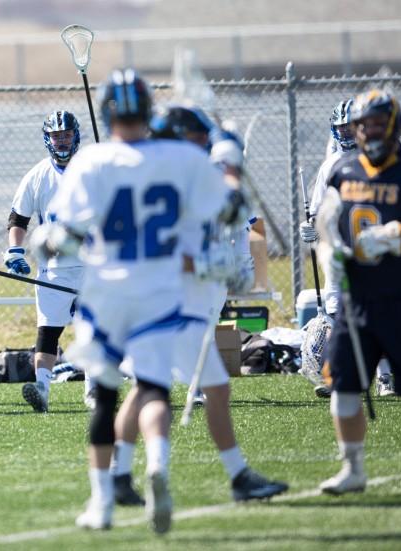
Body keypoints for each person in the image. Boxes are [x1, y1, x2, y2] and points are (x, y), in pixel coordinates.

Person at [33, 69, 233, 533]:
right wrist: (230, 151)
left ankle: (101, 500)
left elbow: (68, 232)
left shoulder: (93, 161)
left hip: (107, 291)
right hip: (160, 287)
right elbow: (227, 209)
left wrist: (46, 241)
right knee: (155, 387)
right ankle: (157, 462)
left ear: (107, 112)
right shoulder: (180, 157)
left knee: (105, 397)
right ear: (149, 110)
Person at [108, 104, 287, 508]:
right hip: (177, 300)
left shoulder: (149, 174)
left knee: (148, 388)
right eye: (195, 137)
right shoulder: (184, 178)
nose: (202, 142)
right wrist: (230, 161)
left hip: (148, 299)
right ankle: (235, 476)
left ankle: (122, 473)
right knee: (207, 389)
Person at [317, 89, 401, 495]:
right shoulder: (341, 169)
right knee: (342, 385)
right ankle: (353, 468)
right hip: (357, 301)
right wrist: (329, 255)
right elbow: (326, 225)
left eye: (377, 123)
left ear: (394, 125)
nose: (369, 131)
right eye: (362, 125)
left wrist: (398, 237)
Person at [301, 99, 395, 399]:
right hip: (340, 253)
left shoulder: (386, 164)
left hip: (377, 252)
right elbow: (318, 214)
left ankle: (385, 377)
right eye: (341, 128)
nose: (346, 134)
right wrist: (310, 229)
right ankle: (339, 374)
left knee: (378, 312)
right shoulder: (331, 166)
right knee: (335, 313)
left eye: (350, 127)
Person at [6, 110, 84, 413]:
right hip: (54, 269)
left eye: (65, 134)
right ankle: (42, 388)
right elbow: (18, 218)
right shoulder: (38, 174)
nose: (61, 140)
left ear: (75, 136)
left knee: (93, 330)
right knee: (48, 331)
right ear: (47, 139)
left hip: (92, 264)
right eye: (56, 135)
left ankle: (94, 391)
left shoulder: (91, 169)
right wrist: (15, 250)